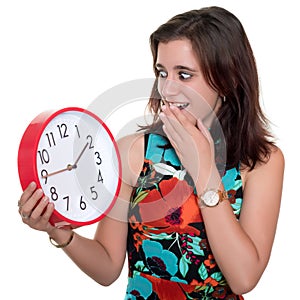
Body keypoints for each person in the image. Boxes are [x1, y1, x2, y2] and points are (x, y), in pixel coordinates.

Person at [18, 6, 284, 299]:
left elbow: (243, 278)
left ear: (228, 79)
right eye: (162, 72)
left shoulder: (262, 162)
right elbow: (107, 267)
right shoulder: (134, 151)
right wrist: (57, 231)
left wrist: (204, 168)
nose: (167, 90)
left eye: (184, 75)